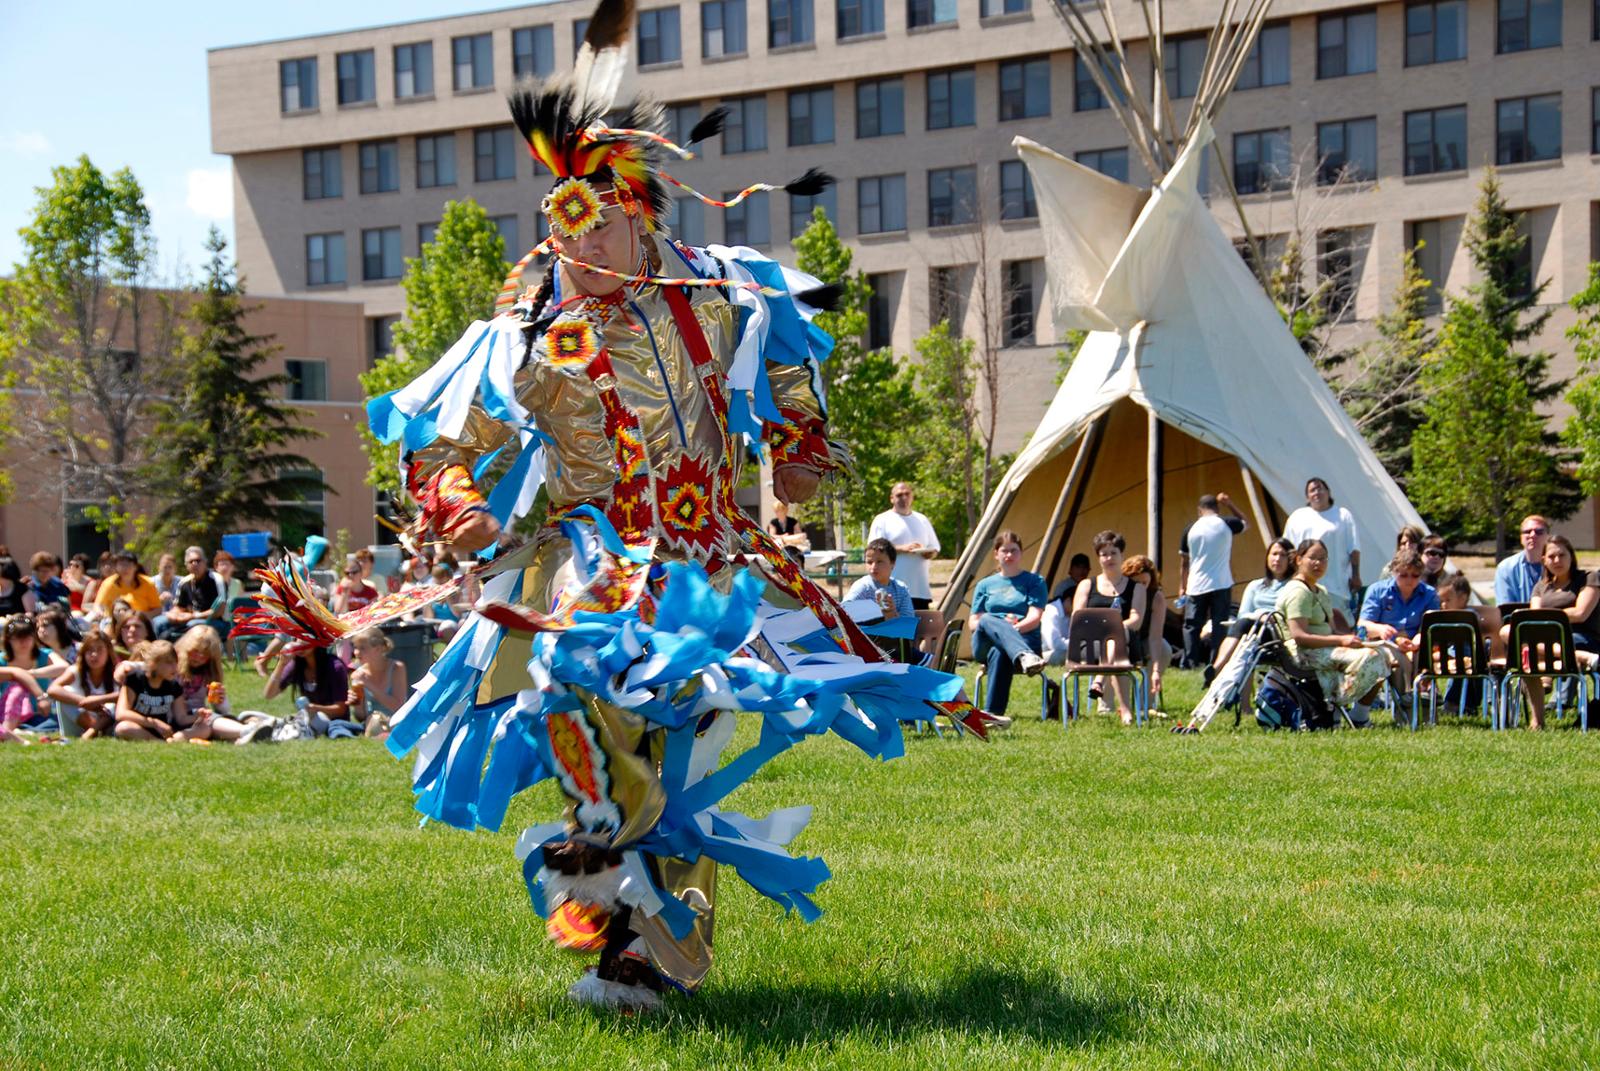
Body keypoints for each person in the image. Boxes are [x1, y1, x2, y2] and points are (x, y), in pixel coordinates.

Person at [242, 45, 997, 1013]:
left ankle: (646, 948)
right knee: (582, 697)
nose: (576, 247)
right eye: (561, 227)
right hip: (588, 563)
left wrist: (802, 452)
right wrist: (462, 508)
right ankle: (602, 894)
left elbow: (795, 382)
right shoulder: (524, 338)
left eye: (593, 224)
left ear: (638, 214)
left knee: (686, 749)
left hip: (712, 568)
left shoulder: (727, 299)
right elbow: (437, 451)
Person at [1278, 539, 1390, 725]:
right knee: (1370, 658)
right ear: (1299, 560)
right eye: (1312, 558)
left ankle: (1358, 714)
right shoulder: (1298, 592)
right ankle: (1337, 705)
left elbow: (1331, 629)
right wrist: (1341, 640)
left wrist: (1353, 639)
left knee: (1382, 653)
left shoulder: (1319, 590)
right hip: (1303, 652)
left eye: (1323, 559)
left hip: (1324, 647)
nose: (1318, 563)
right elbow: (1299, 636)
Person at [1513, 534, 1600, 730]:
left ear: (1572, 556)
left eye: (1562, 555)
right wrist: (1553, 617)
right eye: (1552, 556)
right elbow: (1534, 617)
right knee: (1511, 637)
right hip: (1548, 640)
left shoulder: (1589, 578)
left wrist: (1550, 616)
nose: (1557, 560)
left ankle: (1551, 672)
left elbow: (1580, 613)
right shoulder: (1541, 587)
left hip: (1581, 638)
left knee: (1528, 652)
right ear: (1544, 560)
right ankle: (1538, 721)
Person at [966, 531, 1046, 725]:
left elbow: (1034, 618)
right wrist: (1001, 628)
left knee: (1000, 649)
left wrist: (1009, 633)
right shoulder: (985, 584)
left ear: (1021, 553)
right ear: (996, 554)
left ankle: (993, 714)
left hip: (1026, 639)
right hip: (985, 642)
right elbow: (973, 622)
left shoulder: (1035, 581)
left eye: (1014, 551)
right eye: (1004, 551)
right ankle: (1024, 656)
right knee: (986, 620)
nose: (1009, 555)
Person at [1072, 530, 1147, 724]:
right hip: (1090, 645)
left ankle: (1099, 680)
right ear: (1098, 558)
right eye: (1104, 554)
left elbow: (1136, 620)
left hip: (1127, 642)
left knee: (1117, 637)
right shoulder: (1087, 585)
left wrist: (1114, 628)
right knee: (1116, 646)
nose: (1109, 558)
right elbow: (1077, 618)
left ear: (1122, 555)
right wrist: (1105, 629)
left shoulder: (1136, 588)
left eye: (1113, 552)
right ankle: (1126, 710)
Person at [1357, 548, 1439, 705]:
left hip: (1414, 643)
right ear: (1394, 572)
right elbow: (1363, 624)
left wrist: (1417, 639)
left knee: (1422, 655)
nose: (1409, 580)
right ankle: (1407, 697)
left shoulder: (1429, 594)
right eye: (1403, 575)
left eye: (1415, 576)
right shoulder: (1378, 590)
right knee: (1397, 657)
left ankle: (1423, 696)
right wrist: (1381, 629)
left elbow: (1431, 626)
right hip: (1385, 642)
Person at [1178, 492, 1247, 669]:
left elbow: (1184, 562)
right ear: (1217, 508)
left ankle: (1190, 663)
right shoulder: (1226, 523)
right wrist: (1229, 503)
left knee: (1192, 625)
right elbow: (1245, 522)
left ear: (1199, 510)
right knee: (1219, 624)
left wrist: (1182, 586)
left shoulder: (1190, 528)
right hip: (1221, 582)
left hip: (1196, 584)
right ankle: (1216, 661)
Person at [1209, 538, 1295, 680]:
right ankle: (1240, 698)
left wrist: (1265, 617)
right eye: (1274, 554)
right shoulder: (1255, 586)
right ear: (1267, 557)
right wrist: (1259, 617)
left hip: (1276, 633)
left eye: (1283, 555)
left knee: (1244, 627)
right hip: (1252, 631)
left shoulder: (1293, 586)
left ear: (1291, 559)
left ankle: (1217, 668)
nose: (1277, 559)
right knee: (1244, 644)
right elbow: (1243, 613)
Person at [1282, 477, 1361, 622]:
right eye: (1312, 490)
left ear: (1328, 492)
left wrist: (1356, 575)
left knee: (1340, 623)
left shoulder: (1343, 515)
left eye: (1320, 488)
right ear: (1307, 496)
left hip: (1337, 582)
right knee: (1313, 623)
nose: (1317, 492)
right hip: (1306, 582)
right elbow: (1289, 549)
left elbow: (1354, 548)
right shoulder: (1297, 517)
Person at [868, 482, 941, 610]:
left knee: (918, 629)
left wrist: (930, 553)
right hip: (890, 589)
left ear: (912, 497)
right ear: (892, 498)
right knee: (891, 627)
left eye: (907, 494)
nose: (904, 498)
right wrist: (902, 549)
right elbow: (873, 550)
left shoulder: (922, 519)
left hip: (919, 590)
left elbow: (934, 547)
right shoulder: (882, 520)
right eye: (899, 495)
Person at [262, 646, 361, 739]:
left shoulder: (335, 666)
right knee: (251, 716)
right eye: (297, 639)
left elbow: (340, 709)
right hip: (307, 719)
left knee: (319, 719)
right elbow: (269, 694)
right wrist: (281, 664)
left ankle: (287, 732)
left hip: (334, 722)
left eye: (304, 639)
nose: (300, 644)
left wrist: (315, 708)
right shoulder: (297, 665)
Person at [113, 640, 195, 742]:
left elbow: (181, 718)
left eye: (176, 662)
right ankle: (160, 743)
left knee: (204, 727)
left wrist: (199, 716)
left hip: (163, 730)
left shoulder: (173, 685)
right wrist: (154, 723)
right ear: (154, 663)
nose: (175, 667)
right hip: (138, 727)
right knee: (123, 728)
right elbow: (121, 713)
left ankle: (168, 741)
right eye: (169, 663)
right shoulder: (135, 679)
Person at [48, 630, 121, 739]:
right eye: (90, 650)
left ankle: (92, 732)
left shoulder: (117, 672)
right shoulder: (76, 671)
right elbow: (52, 689)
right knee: (66, 691)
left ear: (108, 652)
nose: (94, 655)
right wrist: (83, 701)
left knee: (115, 704)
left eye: (99, 650)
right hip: (79, 722)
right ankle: (94, 730)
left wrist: (97, 700)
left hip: (108, 721)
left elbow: (127, 694)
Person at [1121, 554, 1170, 708]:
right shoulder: (1119, 593)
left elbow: (1155, 636)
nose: (1141, 587)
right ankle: (1106, 706)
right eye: (1137, 583)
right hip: (1121, 639)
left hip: (1143, 640)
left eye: (1145, 583)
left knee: (1164, 648)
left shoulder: (1156, 597)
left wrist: (1155, 669)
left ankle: (1144, 703)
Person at [346, 626, 409, 738]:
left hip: (396, 721)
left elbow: (398, 706)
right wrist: (356, 703)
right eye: (355, 647)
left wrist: (369, 684)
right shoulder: (358, 675)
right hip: (372, 723)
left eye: (362, 648)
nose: (356, 652)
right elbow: (361, 716)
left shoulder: (396, 668)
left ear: (378, 649)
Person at [158, 546, 221, 639]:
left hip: (216, 621)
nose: (194, 564)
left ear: (205, 562)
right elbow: (179, 607)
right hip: (191, 619)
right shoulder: (184, 583)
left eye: (198, 560)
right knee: (159, 622)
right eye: (191, 561)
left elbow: (219, 611)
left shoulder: (217, 580)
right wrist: (172, 615)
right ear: (186, 565)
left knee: (193, 625)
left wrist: (193, 616)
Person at [1041, 553, 1092, 665]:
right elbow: (1055, 644)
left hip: (1066, 648)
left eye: (1085, 568)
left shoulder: (1073, 614)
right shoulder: (1052, 612)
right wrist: (1078, 644)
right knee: (1065, 655)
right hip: (1046, 653)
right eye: (1078, 567)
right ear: (1068, 600)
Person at [1494, 515, 1550, 605]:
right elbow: (1504, 608)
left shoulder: (1557, 565)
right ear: (1521, 538)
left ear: (1548, 536)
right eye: (1527, 532)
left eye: (1538, 532)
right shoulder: (1505, 568)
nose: (1532, 535)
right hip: (1516, 618)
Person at [93, 552, 161, 620]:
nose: (125, 568)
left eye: (128, 564)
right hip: (114, 622)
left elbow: (157, 609)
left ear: (136, 567)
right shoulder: (108, 583)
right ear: (116, 567)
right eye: (121, 564)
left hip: (140, 622)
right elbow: (97, 605)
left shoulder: (148, 583)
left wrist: (141, 616)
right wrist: (100, 613)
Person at [767, 499, 810, 566]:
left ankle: (786, 541)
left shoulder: (793, 521)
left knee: (803, 536)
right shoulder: (773, 522)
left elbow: (800, 534)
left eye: (778, 510)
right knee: (778, 542)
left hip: (791, 541)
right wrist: (783, 537)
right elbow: (771, 535)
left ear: (784, 510)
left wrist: (788, 538)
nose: (776, 512)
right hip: (780, 542)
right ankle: (786, 541)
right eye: (776, 510)